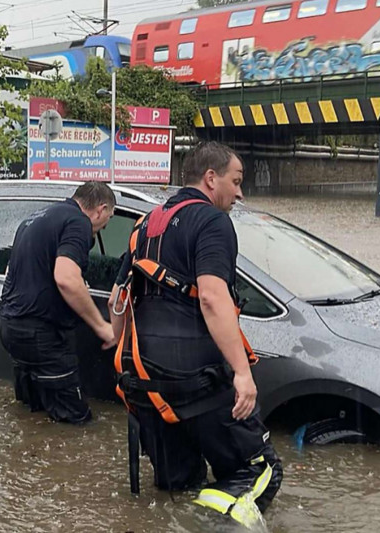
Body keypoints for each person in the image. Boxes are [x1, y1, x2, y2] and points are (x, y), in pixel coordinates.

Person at [108, 142, 282, 528]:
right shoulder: (212, 222)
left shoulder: (143, 224)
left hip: (141, 382)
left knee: (178, 486)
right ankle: (207, 524)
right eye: (235, 182)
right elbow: (212, 297)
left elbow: (117, 308)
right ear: (210, 178)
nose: (239, 193)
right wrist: (241, 372)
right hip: (196, 377)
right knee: (261, 471)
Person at [0, 182, 117, 424]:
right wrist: (102, 327)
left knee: (34, 413)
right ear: (100, 210)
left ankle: (28, 460)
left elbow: (13, 269)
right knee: (76, 422)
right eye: (109, 218)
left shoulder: (35, 218)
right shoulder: (78, 222)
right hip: (42, 334)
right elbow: (65, 279)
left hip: (10, 326)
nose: (105, 226)